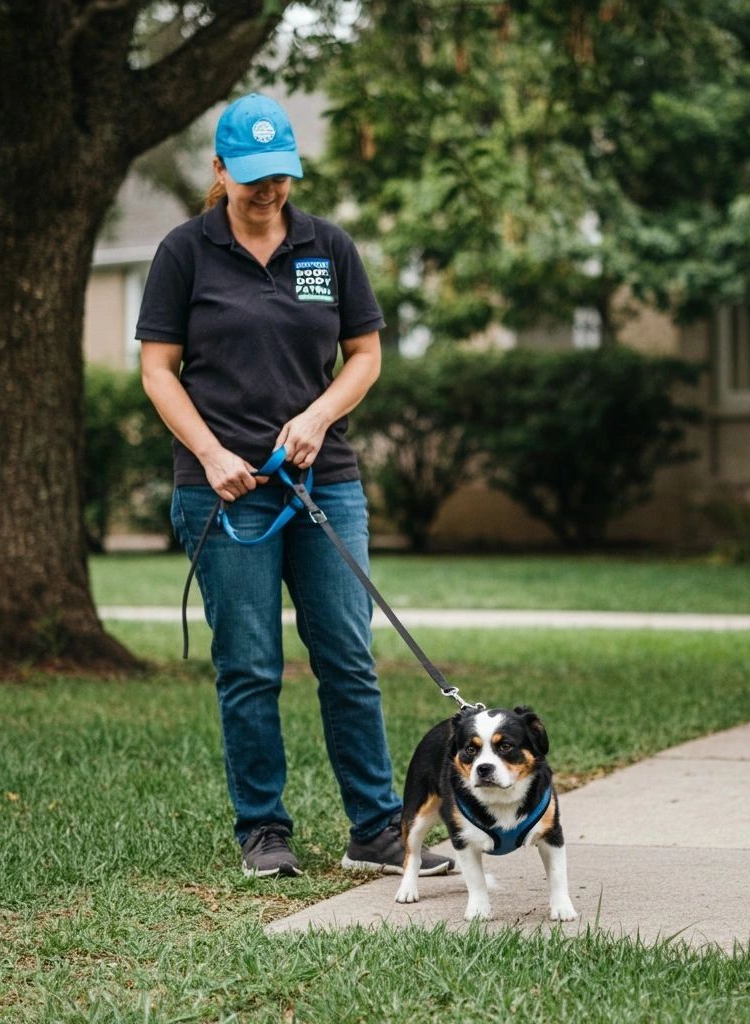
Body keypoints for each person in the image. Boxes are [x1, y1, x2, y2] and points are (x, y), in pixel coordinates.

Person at [137, 93, 453, 880]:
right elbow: (156, 370)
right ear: (220, 171)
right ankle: (264, 832)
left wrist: (315, 417)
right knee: (249, 663)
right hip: (225, 491)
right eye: (252, 178)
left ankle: (376, 830)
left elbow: (366, 358)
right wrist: (210, 455)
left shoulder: (327, 247)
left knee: (347, 654)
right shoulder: (186, 252)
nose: (269, 190)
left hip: (324, 483)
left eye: (280, 175)